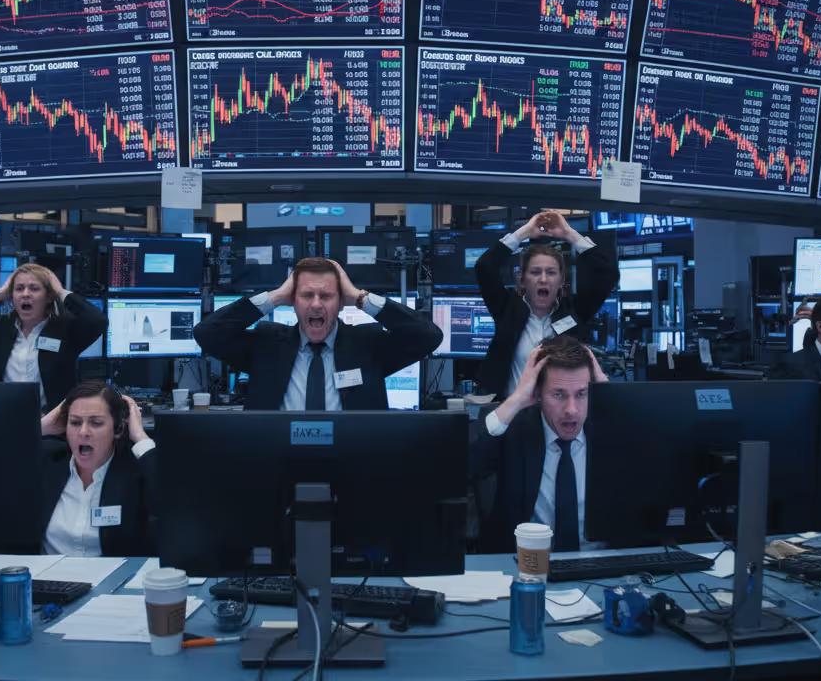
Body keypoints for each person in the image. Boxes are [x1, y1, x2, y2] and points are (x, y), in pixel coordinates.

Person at [194, 257, 442, 410]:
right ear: (293, 301)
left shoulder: (369, 345)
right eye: (305, 295)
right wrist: (276, 296)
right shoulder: (266, 343)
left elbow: (428, 337)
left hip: (354, 462)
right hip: (274, 461)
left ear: (341, 302)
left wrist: (359, 297)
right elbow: (208, 333)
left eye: (326, 296)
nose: (315, 305)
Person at [469, 335, 608, 553]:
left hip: (603, 568)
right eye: (558, 394)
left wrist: (609, 395)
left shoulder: (608, 430)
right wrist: (516, 399)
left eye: (581, 394)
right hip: (524, 568)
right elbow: (460, 469)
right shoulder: (515, 429)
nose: (572, 409)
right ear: (538, 392)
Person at [475, 210, 619, 399]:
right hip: (513, 417)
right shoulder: (507, 309)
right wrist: (524, 232)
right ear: (522, 280)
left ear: (561, 281)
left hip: (562, 418)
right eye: (535, 272)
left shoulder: (574, 311)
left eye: (551, 272)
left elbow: (607, 273)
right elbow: (485, 267)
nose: (543, 279)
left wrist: (569, 234)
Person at [0, 263, 107, 411]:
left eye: (34, 288)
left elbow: (97, 321)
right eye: (19, 289)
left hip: (52, 426)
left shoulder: (65, 330)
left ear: (49, 297)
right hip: (3, 420)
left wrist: (60, 292)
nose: (25, 294)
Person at [39, 380, 155, 557]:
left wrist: (140, 438)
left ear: (117, 428)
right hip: (47, 581)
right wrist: (42, 426)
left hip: (113, 582)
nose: (84, 432)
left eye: (96, 423)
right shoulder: (47, 461)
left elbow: (173, 504)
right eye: (75, 423)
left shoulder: (135, 471)